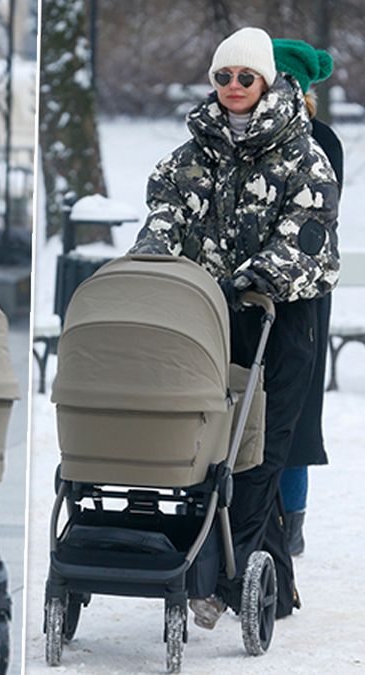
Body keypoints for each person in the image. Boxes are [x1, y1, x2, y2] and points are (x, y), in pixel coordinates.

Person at [128, 27, 339, 628]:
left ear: (266, 80)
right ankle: (248, 567)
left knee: (259, 449)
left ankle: (225, 578)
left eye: (245, 77)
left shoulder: (304, 152)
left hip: (279, 316)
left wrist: (254, 279)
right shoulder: (198, 148)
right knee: (206, 441)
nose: (233, 87)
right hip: (206, 315)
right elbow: (168, 204)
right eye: (223, 77)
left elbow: (309, 231)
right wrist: (153, 253)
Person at [271, 38, 342, 558]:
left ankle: (289, 525)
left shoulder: (320, 141)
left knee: (294, 419)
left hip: (301, 300)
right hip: (241, 297)